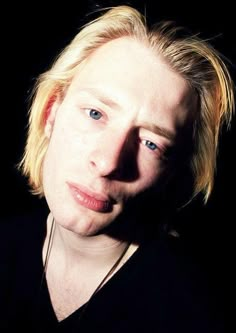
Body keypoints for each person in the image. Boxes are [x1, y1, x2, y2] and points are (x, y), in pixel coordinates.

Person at [1, 4, 234, 332]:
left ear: (172, 173)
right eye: (95, 114)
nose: (109, 163)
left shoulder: (191, 312)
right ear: (51, 113)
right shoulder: (5, 245)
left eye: (151, 143)